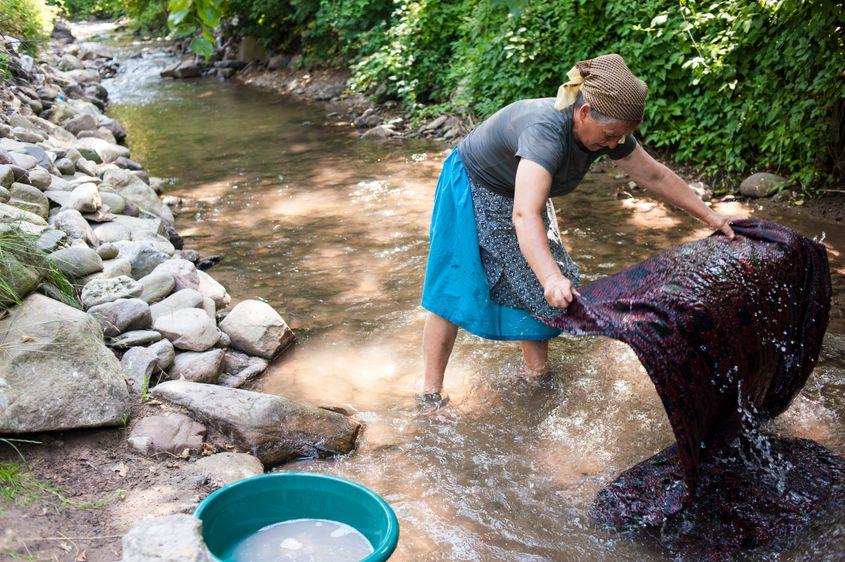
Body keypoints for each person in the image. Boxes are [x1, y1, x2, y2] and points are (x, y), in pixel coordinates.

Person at [418, 53, 737, 406]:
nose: (615, 145)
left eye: (622, 137)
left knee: (538, 281)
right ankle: (430, 395)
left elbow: (655, 175)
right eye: (611, 135)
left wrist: (714, 218)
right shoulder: (545, 132)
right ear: (585, 113)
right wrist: (551, 277)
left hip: (525, 194)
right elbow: (525, 215)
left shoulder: (607, 130)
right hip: (475, 183)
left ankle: (536, 377)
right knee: (455, 285)